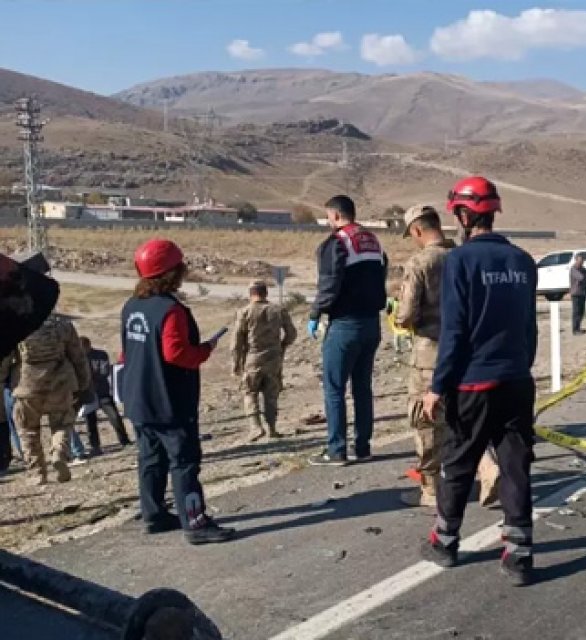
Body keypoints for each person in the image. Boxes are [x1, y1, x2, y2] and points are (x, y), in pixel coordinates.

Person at [420, 175, 540, 586]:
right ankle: (520, 555)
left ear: (466, 214)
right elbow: (529, 328)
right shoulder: (523, 261)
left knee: (458, 465)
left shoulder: (461, 261)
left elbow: (454, 331)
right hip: (516, 381)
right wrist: (521, 368)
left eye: (458, 212)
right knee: (515, 467)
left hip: (474, 384)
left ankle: (445, 541)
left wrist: (438, 386)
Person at [119, 239, 233, 543]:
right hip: (169, 401)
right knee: (184, 462)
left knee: (150, 459)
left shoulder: (131, 306)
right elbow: (176, 354)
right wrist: (205, 349)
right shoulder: (172, 310)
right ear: (173, 271)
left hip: (137, 398)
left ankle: (154, 515)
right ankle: (195, 523)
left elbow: (126, 353)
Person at [395, 203, 500, 509]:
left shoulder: (420, 262)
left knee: (426, 420)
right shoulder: (463, 256)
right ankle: (488, 468)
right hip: (466, 351)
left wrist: (398, 316)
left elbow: (407, 312)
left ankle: (429, 488)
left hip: (431, 353)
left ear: (416, 230)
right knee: (462, 417)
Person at [307, 195, 388, 466]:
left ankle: (336, 449)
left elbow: (329, 283)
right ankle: (363, 446)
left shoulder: (337, 243)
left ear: (336, 215)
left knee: (334, 388)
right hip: (371, 323)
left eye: (329, 216)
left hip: (345, 324)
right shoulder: (373, 241)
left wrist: (315, 312)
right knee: (362, 388)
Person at [0, 257, 92, 486]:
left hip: (26, 384)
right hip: (60, 380)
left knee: (27, 430)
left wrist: (3, 381)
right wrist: (83, 382)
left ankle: (37, 473)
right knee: (61, 423)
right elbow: (78, 356)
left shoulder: (19, 323)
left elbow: (6, 357)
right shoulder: (62, 325)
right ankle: (59, 454)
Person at [232, 280, 297, 442]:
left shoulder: (245, 312)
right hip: (274, 357)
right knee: (271, 394)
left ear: (251, 293)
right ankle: (272, 428)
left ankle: (255, 427)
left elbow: (237, 342)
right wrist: (282, 346)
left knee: (250, 391)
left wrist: (236, 364)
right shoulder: (278, 310)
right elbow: (291, 333)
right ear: (265, 293)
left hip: (252, 357)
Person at [81, 336, 132, 454]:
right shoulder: (78, 358)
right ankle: (95, 446)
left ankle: (124, 441)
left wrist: (88, 378)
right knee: (90, 421)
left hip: (102, 393)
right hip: (89, 394)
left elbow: (104, 372)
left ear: (88, 346)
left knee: (114, 417)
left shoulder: (101, 354)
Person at [569, 253, 586, 335]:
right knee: (576, 312)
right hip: (576, 293)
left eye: (582, 260)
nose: (581, 262)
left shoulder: (584, 269)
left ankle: (578, 327)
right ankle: (575, 329)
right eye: (580, 260)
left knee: (581, 312)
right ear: (576, 260)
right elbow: (581, 278)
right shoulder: (573, 269)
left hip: (583, 292)